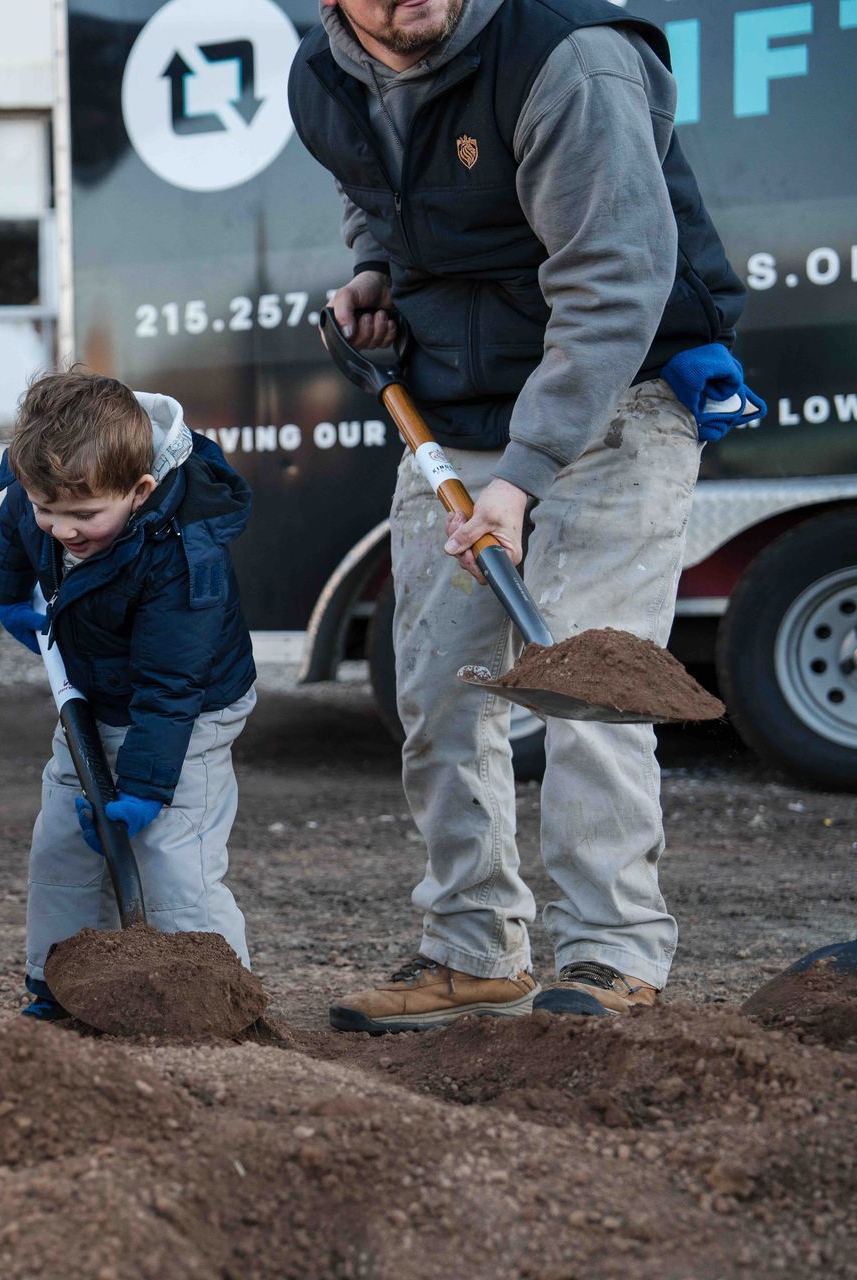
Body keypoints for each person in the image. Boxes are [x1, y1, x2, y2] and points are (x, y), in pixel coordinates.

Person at [286, 0, 747, 1031]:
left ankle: (612, 950)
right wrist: (372, 276)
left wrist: (523, 475)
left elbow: (613, 283)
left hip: (616, 395)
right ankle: (473, 946)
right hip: (452, 407)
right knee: (441, 692)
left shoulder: (568, 62)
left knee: (589, 679)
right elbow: (379, 205)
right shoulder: (323, 83)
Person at [0, 372, 256, 1019]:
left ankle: (223, 997)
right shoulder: (41, 487)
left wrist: (144, 789)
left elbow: (171, 685)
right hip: (90, 690)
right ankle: (62, 982)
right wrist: (6, 593)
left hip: (190, 712)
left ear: (140, 492)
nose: (62, 529)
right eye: (49, 510)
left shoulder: (184, 554)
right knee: (62, 846)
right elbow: (20, 537)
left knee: (170, 858)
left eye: (83, 517)